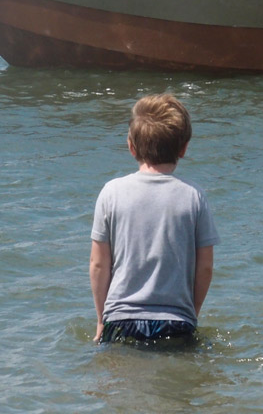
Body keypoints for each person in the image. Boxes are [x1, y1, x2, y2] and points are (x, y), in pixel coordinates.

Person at [90, 93, 219, 345]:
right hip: (176, 320)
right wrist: (191, 313)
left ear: (131, 147)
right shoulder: (194, 196)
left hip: (120, 319)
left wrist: (100, 319)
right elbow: (205, 267)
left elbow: (98, 265)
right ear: (184, 148)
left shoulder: (111, 192)